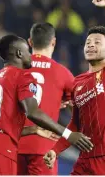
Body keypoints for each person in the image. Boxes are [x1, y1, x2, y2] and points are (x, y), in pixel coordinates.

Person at [0, 34, 93, 175]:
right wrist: (67, 134)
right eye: (27, 51)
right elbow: (32, 112)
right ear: (19, 53)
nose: (30, 55)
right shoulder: (22, 75)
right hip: (0, 149)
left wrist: (33, 129)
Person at [44, 0, 105, 175]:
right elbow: (76, 125)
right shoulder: (77, 83)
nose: (91, 45)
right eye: (88, 42)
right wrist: (55, 150)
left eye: (97, 42)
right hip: (86, 160)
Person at [17, 22, 75, 175]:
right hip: (44, 148)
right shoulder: (63, 73)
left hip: (14, 145)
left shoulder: (14, 70)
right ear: (53, 42)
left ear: (30, 42)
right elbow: (79, 110)